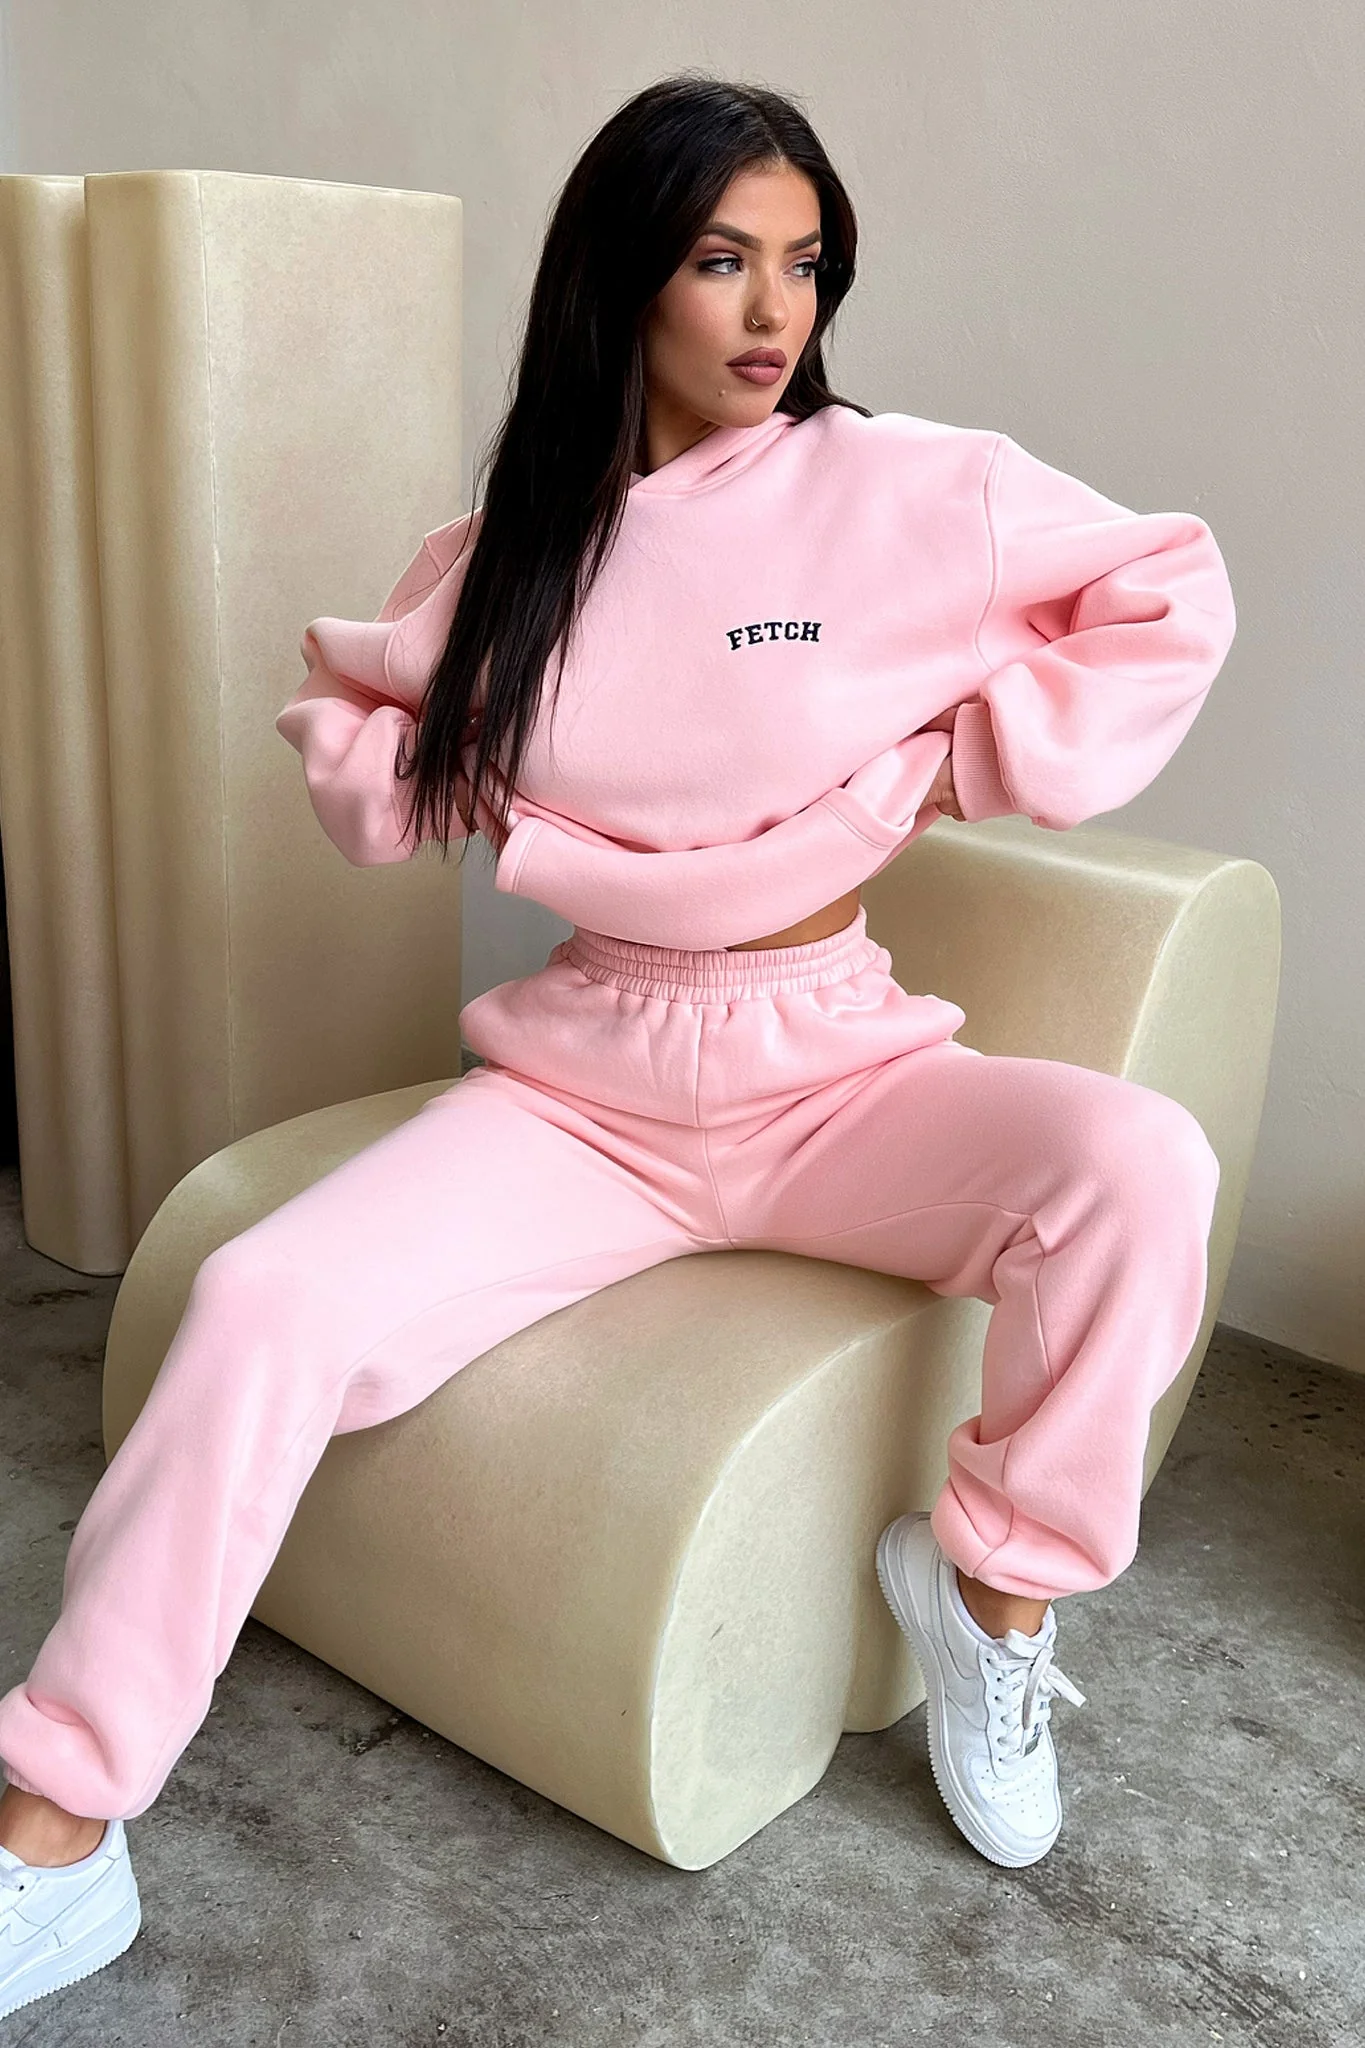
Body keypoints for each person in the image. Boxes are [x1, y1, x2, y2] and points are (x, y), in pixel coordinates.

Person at [0, 72, 1236, 2019]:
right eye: (722, 260)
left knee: (1138, 1164)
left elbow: (1166, 586)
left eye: (805, 265)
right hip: (587, 1089)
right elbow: (352, 725)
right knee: (258, 1298)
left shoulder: (904, 490)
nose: (773, 311)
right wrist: (444, 771)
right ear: (623, 278)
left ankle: (991, 1592)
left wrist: (959, 759)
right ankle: (60, 1824)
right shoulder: (518, 549)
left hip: (838, 1069)